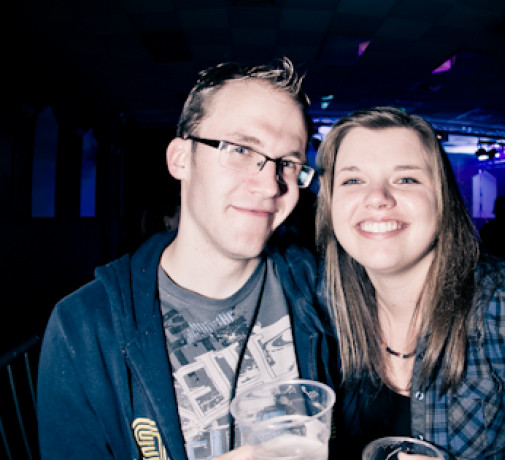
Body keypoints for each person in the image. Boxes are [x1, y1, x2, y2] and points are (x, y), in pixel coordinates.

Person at [37, 57, 338, 460]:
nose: (270, 185)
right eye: (241, 149)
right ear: (181, 159)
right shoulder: (84, 327)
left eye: (287, 163)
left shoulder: (321, 292)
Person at [315, 107, 505, 459]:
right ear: (330, 203)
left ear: (443, 200)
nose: (378, 197)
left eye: (406, 179)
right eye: (352, 180)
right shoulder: (323, 304)